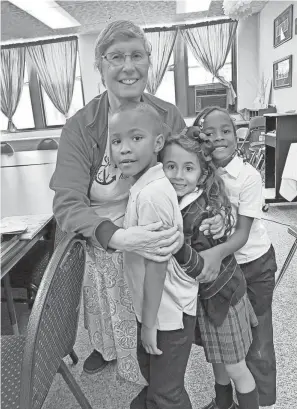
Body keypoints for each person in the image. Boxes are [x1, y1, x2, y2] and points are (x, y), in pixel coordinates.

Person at [49, 19, 185, 383]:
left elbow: (192, 177)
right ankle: (107, 347)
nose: (128, 66)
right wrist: (117, 236)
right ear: (100, 67)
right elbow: (66, 203)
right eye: (116, 57)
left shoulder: (168, 115)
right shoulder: (81, 126)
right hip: (105, 236)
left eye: (137, 55)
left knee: (159, 320)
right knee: (112, 313)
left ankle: (160, 366)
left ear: (149, 61)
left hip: (155, 230)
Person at [161, 128, 259, 409]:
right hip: (211, 299)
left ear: (202, 175)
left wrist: (175, 245)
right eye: (171, 166)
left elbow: (199, 263)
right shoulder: (186, 200)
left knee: (236, 366)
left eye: (188, 168)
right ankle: (223, 403)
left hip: (222, 299)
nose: (178, 175)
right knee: (217, 359)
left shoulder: (200, 213)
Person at [109, 101, 198, 409]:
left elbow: (157, 266)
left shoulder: (151, 195)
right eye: (116, 140)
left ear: (158, 143)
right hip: (154, 309)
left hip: (167, 315)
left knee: (166, 393)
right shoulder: (143, 186)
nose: (123, 149)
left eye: (136, 138)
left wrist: (149, 324)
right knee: (156, 378)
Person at [192, 107, 277, 409]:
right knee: (219, 343)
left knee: (256, 339)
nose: (218, 138)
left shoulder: (248, 177)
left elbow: (241, 235)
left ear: (236, 135)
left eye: (225, 131)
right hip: (221, 270)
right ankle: (223, 401)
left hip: (252, 266)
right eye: (209, 132)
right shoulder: (197, 172)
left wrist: (212, 255)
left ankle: (259, 400)